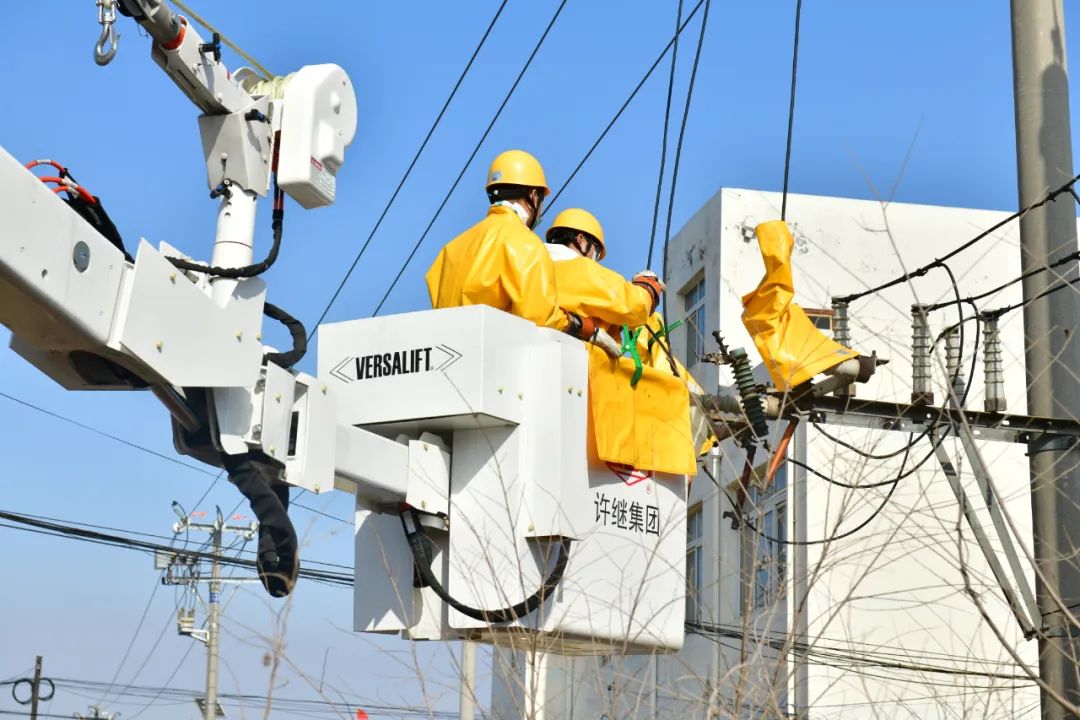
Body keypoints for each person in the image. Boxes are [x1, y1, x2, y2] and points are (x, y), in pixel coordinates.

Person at [425, 150, 619, 356]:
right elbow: (540, 316)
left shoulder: (451, 248)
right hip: (498, 361)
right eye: (541, 201)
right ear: (533, 196)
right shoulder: (524, 243)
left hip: (449, 358)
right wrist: (583, 327)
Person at [543, 208, 664, 331]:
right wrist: (648, 288)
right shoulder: (583, 270)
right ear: (581, 240)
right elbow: (635, 306)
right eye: (596, 252)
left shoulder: (537, 264)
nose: (594, 260)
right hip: (576, 348)